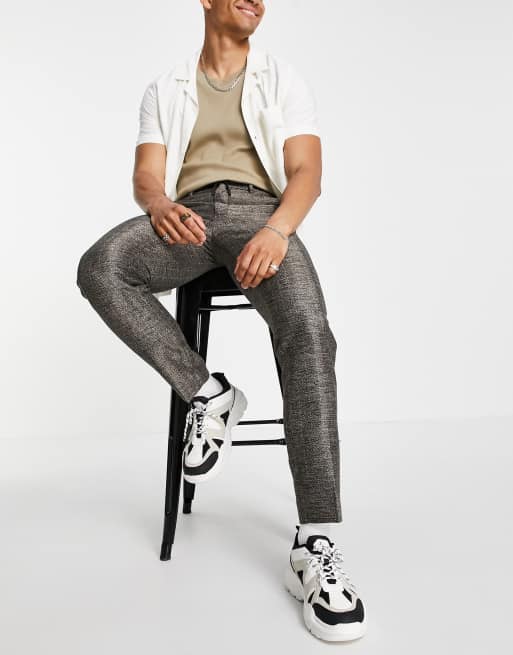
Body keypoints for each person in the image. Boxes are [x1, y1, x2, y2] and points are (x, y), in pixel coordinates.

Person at [76, 0, 366, 642]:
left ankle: (316, 544)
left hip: (263, 215)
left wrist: (277, 230)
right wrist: (158, 206)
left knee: (309, 333)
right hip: (187, 219)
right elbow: (147, 175)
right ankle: (208, 393)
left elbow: (307, 173)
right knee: (101, 268)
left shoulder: (283, 79)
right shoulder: (165, 87)